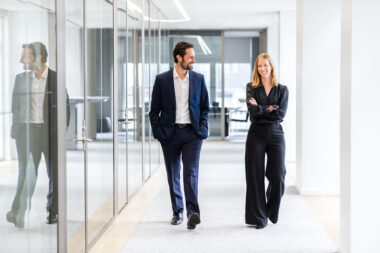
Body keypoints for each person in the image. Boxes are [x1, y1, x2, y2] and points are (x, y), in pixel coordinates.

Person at [7, 42, 70, 228]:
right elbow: (15, 107)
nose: (21, 60)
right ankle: (18, 212)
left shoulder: (55, 79)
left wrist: (58, 133)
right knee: (25, 173)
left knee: (54, 174)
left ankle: (53, 212)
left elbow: (65, 109)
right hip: (26, 132)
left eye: (25, 57)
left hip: (49, 133)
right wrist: (18, 128)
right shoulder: (20, 79)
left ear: (39, 58)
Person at [149, 41, 209, 230]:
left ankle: (192, 212)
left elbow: (204, 108)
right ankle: (178, 211)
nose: (194, 60)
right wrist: (159, 133)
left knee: (190, 172)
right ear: (179, 57)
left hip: (193, 134)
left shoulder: (198, 79)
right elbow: (154, 111)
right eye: (190, 56)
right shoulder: (162, 80)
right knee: (173, 173)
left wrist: (202, 129)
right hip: (170, 134)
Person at [245, 53, 289, 229]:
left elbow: (281, 113)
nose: (262, 69)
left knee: (278, 175)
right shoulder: (251, 87)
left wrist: (261, 108)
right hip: (256, 134)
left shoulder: (283, 89)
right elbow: (252, 112)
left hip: (276, 133)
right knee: (254, 176)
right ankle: (259, 218)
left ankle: (270, 210)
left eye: (265, 65)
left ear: (271, 67)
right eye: (259, 66)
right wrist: (270, 108)